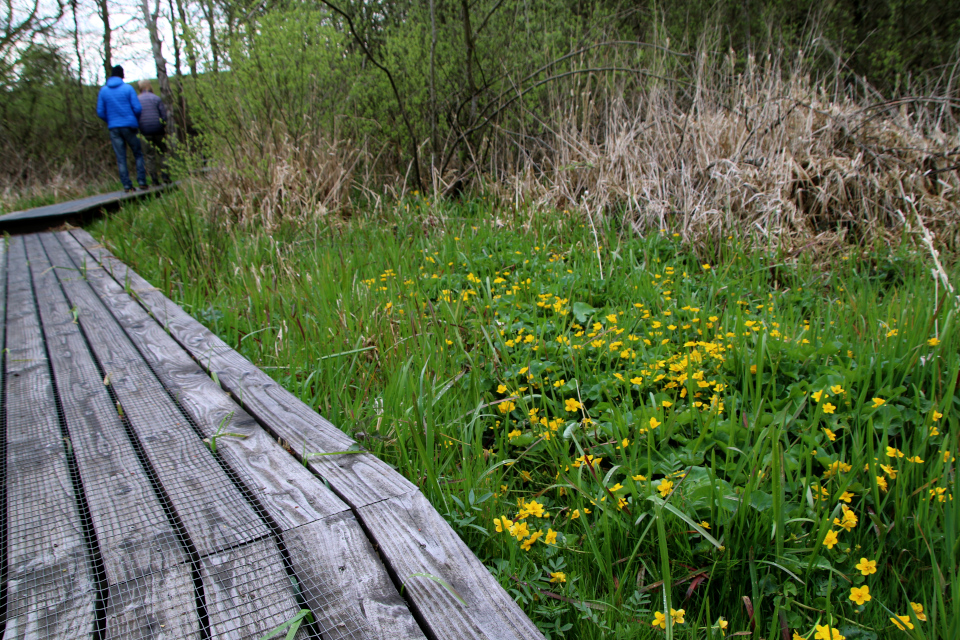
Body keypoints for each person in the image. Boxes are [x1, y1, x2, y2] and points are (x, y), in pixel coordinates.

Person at [97, 65, 147, 192]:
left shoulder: (103, 91)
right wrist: (133, 119)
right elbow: (138, 108)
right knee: (137, 154)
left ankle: (127, 185)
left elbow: (100, 112)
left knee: (121, 158)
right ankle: (142, 181)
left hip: (114, 128)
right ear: (122, 75)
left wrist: (110, 120)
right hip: (129, 126)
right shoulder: (128, 89)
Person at [137, 79, 170, 185]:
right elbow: (163, 115)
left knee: (150, 155)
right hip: (158, 129)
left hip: (145, 130)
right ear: (149, 86)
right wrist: (163, 126)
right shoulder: (156, 98)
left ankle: (154, 179)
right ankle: (165, 176)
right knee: (162, 152)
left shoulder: (137, 100)